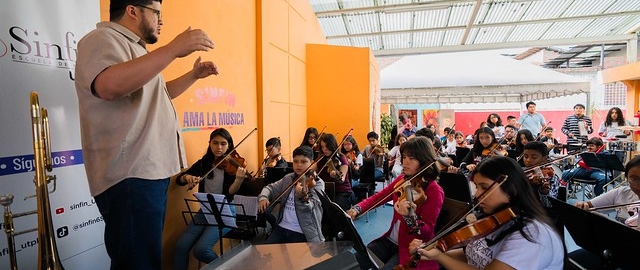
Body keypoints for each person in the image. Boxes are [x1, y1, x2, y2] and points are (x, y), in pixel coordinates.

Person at [74, 1, 219, 269]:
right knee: (138, 263)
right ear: (132, 10)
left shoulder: (138, 51)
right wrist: (174, 48)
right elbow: (108, 86)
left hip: (147, 174)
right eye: (157, 14)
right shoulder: (102, 39)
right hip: (131, 174)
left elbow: (160, 95)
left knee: (143, 260)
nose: (161, 22)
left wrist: (194, 75)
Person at [410, 156, 565, 270]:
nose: (477, 194)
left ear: (510, 188)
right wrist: (432, 252)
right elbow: (472, 255)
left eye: (484, 187)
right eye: (476, 186)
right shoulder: (497, 218)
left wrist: (440, 256)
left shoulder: (532, 235)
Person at [347, 137, 444, 270]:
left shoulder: (434, 190)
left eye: (411, 158)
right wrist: (357, 209)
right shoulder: (402, 180)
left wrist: (410, 217)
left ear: (424, 160)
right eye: (404, 157)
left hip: (410, 248)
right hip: (390, 240)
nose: (405, 162)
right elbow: (379, 197)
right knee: (354, 262)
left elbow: (427, 232)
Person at [173, 128, 248, 269]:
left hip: (225, 211)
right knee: (181, 246)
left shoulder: (232, 164)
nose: (219, 147)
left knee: (201, 250)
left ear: (229, 145)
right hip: (206, 211)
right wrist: (187, 177)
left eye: (223, 144)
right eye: (215, 143)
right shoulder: (204, 162)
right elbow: (179, 180)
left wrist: (238, 180)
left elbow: (230, 193)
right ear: (210, 143)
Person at [258, 146, 325, 244]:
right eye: (296, 161)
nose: (299, 165)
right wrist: (263, 198)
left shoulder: (317, 183)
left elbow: (310, 207)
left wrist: (301, 197)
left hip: (303, 231)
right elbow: (269, 188)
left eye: (303, 161)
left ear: (312, 163)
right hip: (282, 226)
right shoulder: (288, 178)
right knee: (266, 253)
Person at [574, 155, 640, 224]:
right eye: (635, 179)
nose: (639, 186)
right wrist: (582, 205)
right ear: (627, 177)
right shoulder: (622, 193)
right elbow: (588, 205)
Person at [522, 141, 563, 233]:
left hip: (542, 215)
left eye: (534, 157)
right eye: (526, 156)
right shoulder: (522, 172)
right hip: (524, 211)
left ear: (544, 159)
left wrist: (544, 191)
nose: (528, 160)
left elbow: (549, 204)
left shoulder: (551, 176)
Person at [316, 133, 352, 211]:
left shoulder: (341, 158)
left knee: (334, 209)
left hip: (342, 192)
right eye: (322, 147)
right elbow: (313, 171)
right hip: (326, 191)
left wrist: (336, 175)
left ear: (332, 146)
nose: (324, 149)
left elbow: (341, 178)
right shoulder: (321, 159)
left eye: (327, 147)